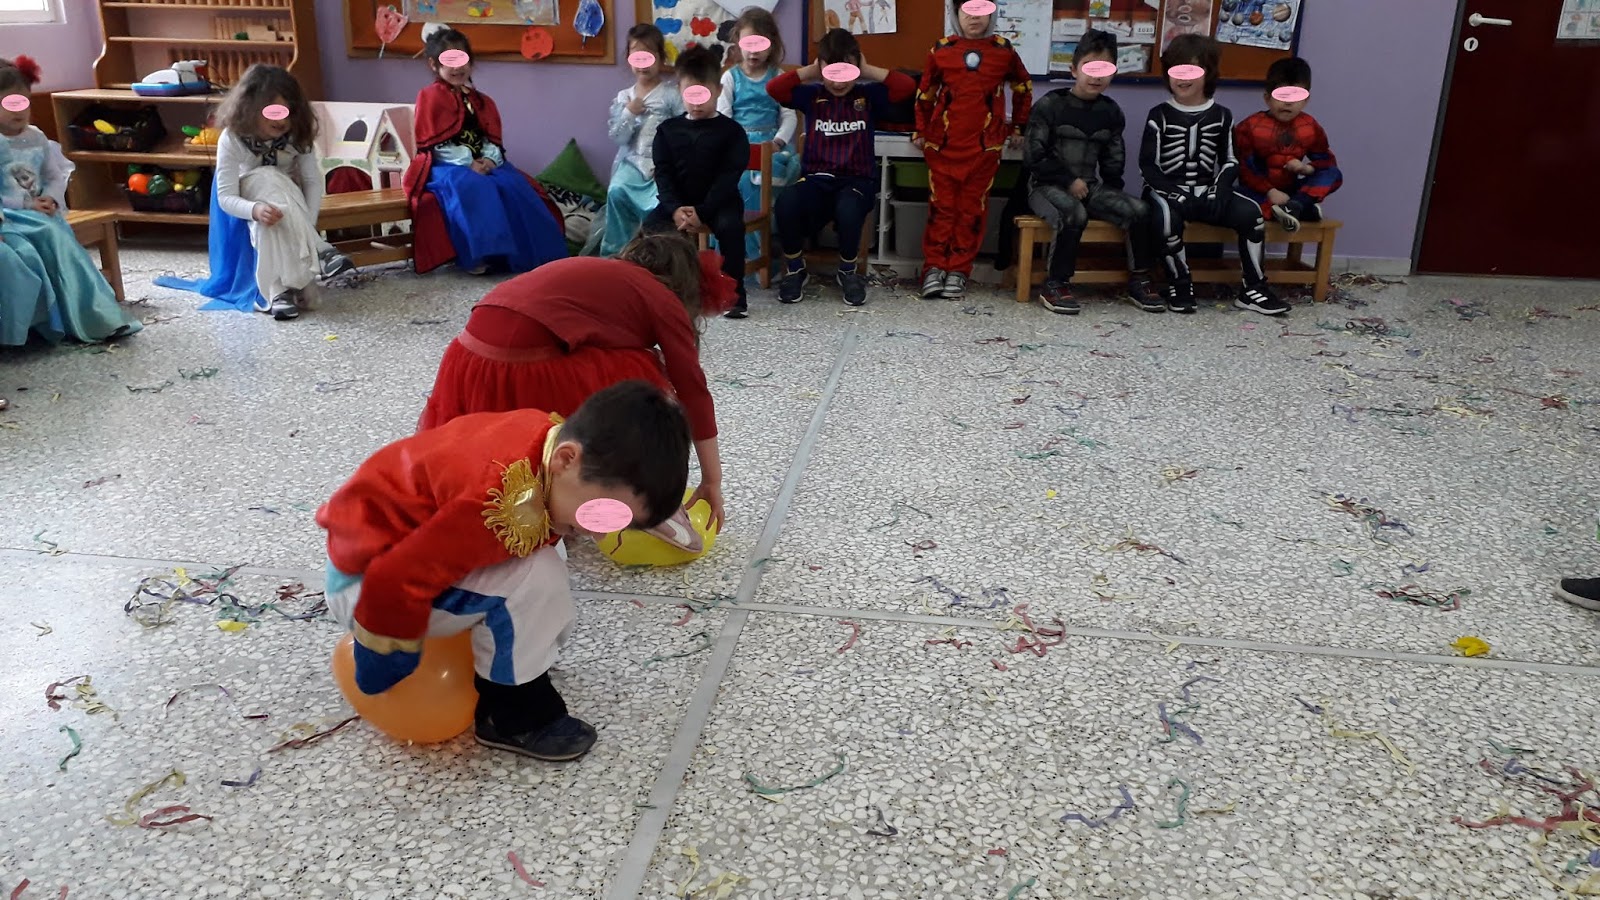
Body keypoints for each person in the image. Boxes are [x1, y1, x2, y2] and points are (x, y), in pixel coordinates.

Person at [317, 381, 693, 761]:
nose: (600, 534)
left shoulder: (545, 443)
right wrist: (380, 669)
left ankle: (509, 658)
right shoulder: (495, 502)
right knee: (537, 579)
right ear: (566, 459)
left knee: (546, 566)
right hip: (368, 585)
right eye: (603, 513)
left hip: (401, 553)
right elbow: (395, 579)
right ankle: (511, 716)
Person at [416, 231, 737, 527]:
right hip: (523, 362)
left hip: (466, 356)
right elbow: (693, 391)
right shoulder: (661, 297)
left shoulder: (600, 272)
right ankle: (603, 484)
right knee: (641, 373)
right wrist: (712, 481)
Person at [154, 65, 353, 320]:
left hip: (287, 203)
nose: (281, 121)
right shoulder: (232, 138)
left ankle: (278, 293)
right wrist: (255, 210)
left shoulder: (297, 135)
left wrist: (307, 223)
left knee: (275, 195)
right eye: (272, 112)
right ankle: (321, 251)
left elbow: (312, 182)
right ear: (250, 109)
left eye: (287, 112)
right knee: (267, 176)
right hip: (241, 203)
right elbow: (226, 197)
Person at [767, 28, 915, 307]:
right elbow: (774, 89)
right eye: (831, 71)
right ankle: (796, 269)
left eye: (846, 71)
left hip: (857, 180)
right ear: (821, 68)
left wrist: (867, 70)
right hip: (816, 180)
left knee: (849, 207)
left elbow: (906, 87)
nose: (838, 82)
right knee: (787, 202)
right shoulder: (812, 95)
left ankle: (847, 271)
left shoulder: (868, 95)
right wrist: (811, 71)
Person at [403, 26, 567, 276]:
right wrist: (468, 163)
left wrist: (490, 159)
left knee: (514, 185)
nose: (458, 68)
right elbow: (434, 144)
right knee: (474, 187)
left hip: (483, 162)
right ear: (434, 64)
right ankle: (482, 255)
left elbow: (491, 137)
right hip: (448, 166)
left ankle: (525, 253)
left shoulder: (481, 100)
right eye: (450, 61)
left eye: (462, 59)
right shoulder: (430, 97)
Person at [0, 55, 141, 345]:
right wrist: (26, 204)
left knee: (62, 242)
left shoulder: (36, 137)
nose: (19, 111)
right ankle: (57, 319)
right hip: (11, 215)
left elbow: (55, 175)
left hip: (42, 212)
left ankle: (96, 314)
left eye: (23, 102)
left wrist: (51, 197)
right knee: (47, 237)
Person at [1140, 35, 1283, 316]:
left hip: (1208, 188)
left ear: (1208, 73)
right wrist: (1174, 193)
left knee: (1252, 214)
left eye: (1191, 70)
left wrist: (1220, 188)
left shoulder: (1222, 115)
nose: (1183, 78)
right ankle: (1179, 285)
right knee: (1167, 221)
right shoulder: (1159, 115)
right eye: (1176, 70)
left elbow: (1230, 160)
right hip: (1165, 190)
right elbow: (1148, 165)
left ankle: (1254, 289)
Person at [1023, 30, 1156, 316]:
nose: (1096, 76)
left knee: (1140, 210)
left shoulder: (1111, 112)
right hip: (1045, 186)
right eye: (1089, 67)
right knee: (1074, 213)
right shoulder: (1050, 105)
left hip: (1089, 186)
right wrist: (1068, 180)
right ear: (1074, 69)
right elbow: (1034, 155)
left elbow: (1113, 160)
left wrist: (1112, 198)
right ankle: (1056, 284)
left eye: (1104, 69)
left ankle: (1140, 280)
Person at [913, 0, 1033, 301]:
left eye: (981, 9)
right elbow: (925, 93)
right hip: (943, 147)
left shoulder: (1004, 51)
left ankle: (958, 270)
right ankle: (934, 268)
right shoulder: (940, 50)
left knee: (971, 211)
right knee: (941, 209)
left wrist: (1018, 127)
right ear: (956, 14)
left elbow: (1023, 87)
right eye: (967, 10)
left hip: (984, 149)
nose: (974, 17)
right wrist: (921, 129)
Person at [645, 45, 751, 318]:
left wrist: (702, 211)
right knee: (651, 228)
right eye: (690, 94)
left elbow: (729, 177)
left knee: (730, 227)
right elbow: (663, 174)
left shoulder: (732, 132)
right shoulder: (667, 131)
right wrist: (674, 208)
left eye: (703, 94)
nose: (696, 102)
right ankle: (658, 292)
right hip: (678, 203)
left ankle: (734, 296)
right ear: (679, 90)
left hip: (719, 202)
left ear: (717, 90)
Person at [717, 7, 799, 270]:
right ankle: (734, 254)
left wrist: (778, 142)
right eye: (748, 44)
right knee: (736, 179)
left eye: (760, 45)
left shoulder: (778, 77)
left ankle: (761, 254)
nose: (753, 52)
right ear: (738, 43)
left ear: (771, 45)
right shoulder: (731, 77)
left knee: (761, 177)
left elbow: (789, 116)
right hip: (738, 146)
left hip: (771, 147)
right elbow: (723, 118)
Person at [601, 23, 683, 257]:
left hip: (661, 166)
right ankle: (618, 253)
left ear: (660, 57)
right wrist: (629, 112)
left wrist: (671, 164)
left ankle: (657, 255)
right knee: (617, 191)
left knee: (659, 203)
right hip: (632, 163)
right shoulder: (624, 97)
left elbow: (683, 132)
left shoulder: (671, 95)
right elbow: (618, 137)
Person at [1234, 56, 1342, 234]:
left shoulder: (1310, 126)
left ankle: (1296, 205)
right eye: (1282, 95)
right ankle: (1302, 211)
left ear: (1306, 100)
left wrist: (1307, 169)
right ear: (1267, 98)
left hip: (1293, 191)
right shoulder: (1250, 127)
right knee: (1233, 195)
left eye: (1296, 96)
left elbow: (1326, 161)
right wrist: (1270, 191)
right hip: (1259, 191)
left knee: (1334, 174)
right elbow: (1244, 168)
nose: (1288, 102)